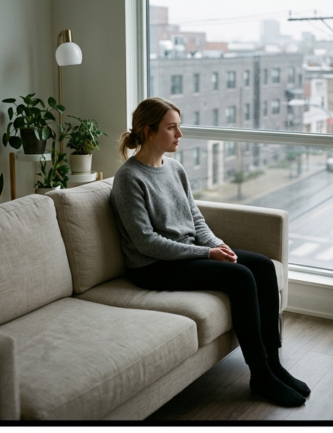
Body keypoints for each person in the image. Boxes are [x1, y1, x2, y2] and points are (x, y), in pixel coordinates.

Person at [110, 97, 310, 408]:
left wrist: (215, 244)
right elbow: (146, 243)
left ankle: (274, 363)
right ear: (149, 131)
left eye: (179, 126)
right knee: (241, 277)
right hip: (152, 266)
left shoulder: (174, 168)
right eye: (172, 127)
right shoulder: (128, 178)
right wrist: (205, 255)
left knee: (263, 266)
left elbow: (195, 218)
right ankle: (260, 376)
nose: (179, 134)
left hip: (189, 252)